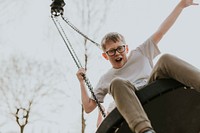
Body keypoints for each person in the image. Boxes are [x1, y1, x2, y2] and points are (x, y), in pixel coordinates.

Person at [76, 0, 199, 133]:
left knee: (165, 59)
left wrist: (180, 6)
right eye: (111, 51)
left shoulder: (140, 53)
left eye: (120, 48)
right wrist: (82, 81)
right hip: (131, 104)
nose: (117, 53)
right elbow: (88, 107)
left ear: (126, 48)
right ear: (106, 56)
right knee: (117, 82)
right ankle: (145, 130)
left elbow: (161, 31)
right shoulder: (107, 78)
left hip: (153, 91)